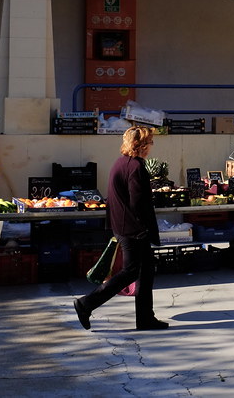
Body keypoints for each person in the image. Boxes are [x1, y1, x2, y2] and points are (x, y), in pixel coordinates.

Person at [74, 125, 168, 331]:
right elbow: (138, 202)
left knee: (145, 271)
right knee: (130, 272)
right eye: (150, 142)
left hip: (122, 225)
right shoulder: (136, 167)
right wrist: (144, 227)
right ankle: (86, 303)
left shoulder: (120, 163)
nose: (152, 146)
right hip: (133, 228)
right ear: (142, 145)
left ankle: (145, 318)